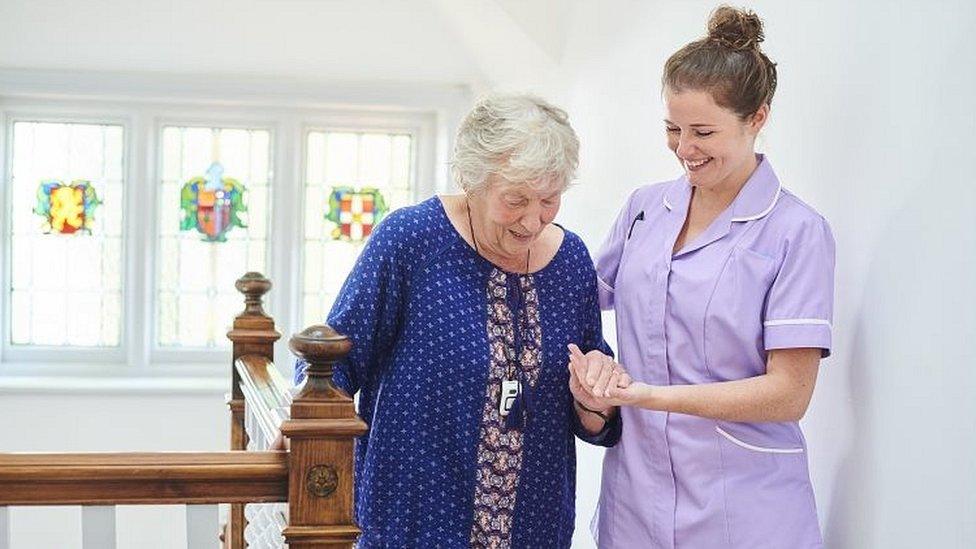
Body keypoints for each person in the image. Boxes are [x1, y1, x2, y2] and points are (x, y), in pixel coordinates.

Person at [295, 93, 621, 548]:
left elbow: (593, 405)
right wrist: (304, 433)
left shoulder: (571, 262)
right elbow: (336, 362)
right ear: (472, 180)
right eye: (515, 200)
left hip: (535, 527)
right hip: (413, 523)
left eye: (549, 199)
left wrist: (594, 402)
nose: (533, 220)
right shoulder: (412, 240)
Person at [567, 6, 835, 548]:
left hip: (746, 510)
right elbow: (577, 301)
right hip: (636, 503)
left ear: (758, 117)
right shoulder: (645, 209)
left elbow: (788, 394)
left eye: (703, 131)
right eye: (672, 128)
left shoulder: (795, 232)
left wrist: (646, 395)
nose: (684, 148)